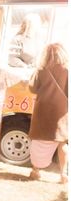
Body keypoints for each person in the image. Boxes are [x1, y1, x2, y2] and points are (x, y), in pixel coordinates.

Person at [27, 43, 68, 184]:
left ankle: (35, 171)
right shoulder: (67, 70)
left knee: (38, 139)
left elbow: (32, 88)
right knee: (61, 142)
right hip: (61, 112)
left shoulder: (41, 70)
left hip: (42, 110)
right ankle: (63, 174)